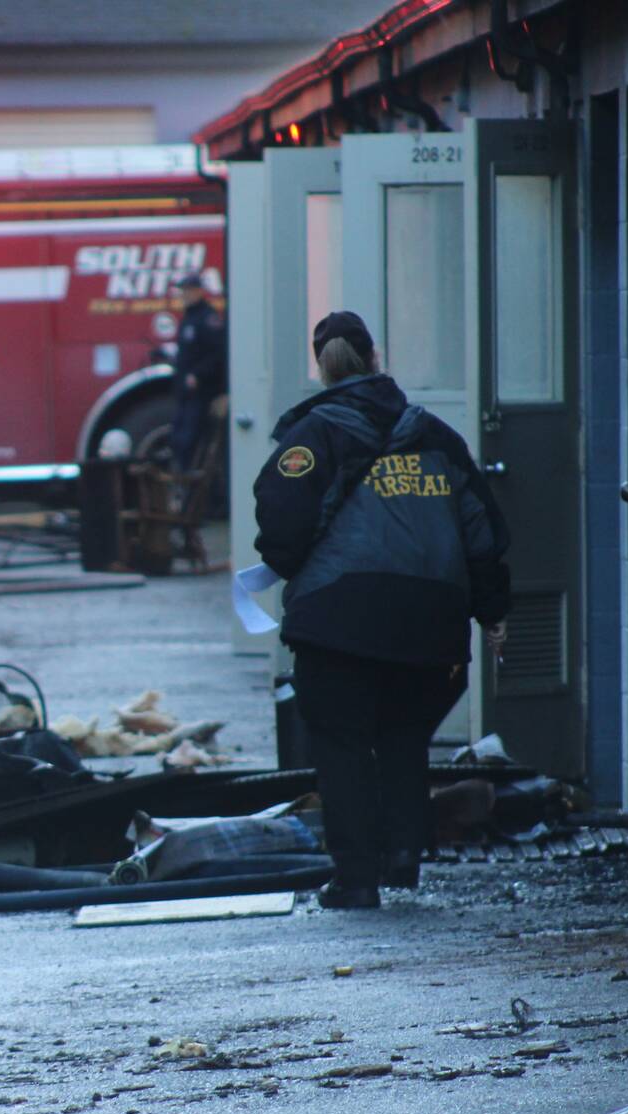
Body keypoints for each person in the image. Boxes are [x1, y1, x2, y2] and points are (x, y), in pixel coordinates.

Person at [253, 310, 511, 910]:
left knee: (341, 746)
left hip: (339, 621)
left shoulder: (314, 436)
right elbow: (482, 531)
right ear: (376, 358)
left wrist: (289, 563)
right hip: (430, 622)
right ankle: (403, 854)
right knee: (404, 736)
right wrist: (491, 609)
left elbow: (282, 521)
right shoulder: (437, 437)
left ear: (323, 368)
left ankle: (356, 877)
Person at [167, 273, 225, 472]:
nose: (184, 295)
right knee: (177, 439)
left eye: (188, 291)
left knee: (191, 441)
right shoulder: (189, 318)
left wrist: (198, 374)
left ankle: (193, 488)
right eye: (182, 291)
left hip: (201, 393)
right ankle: (182, 483)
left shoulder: (207, 319)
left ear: (199, 291)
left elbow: (218, 354)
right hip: (185, 393)